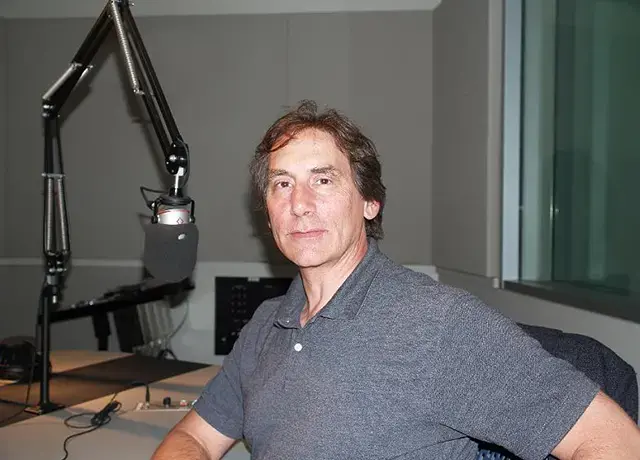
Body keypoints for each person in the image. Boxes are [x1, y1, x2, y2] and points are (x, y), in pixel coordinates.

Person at [152, 100, 640, 460]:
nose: (299, 203)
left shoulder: (438, 325)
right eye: (283, 184)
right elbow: (193, 437)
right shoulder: (264, 327)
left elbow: (614, 443)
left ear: (370, 203)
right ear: (268, 211)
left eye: (323, 179)